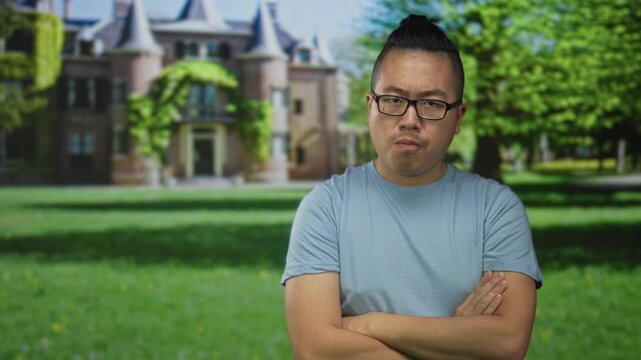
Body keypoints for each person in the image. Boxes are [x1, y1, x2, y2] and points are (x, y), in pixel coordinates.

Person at [281, 14, 542, 360]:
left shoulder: (496, 208)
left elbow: (507, 344)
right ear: (369, 106)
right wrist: (456, 339)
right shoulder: (325, 206)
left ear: (458, 117)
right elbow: (314, 349)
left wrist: (370, 324)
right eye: (393, 100)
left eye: (432, 104)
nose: (409, 120)